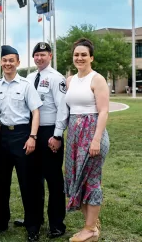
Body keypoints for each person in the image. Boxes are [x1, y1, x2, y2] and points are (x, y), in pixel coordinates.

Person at [0, 45, 42, 242]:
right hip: (2, 137)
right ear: (1, 62)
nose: (7, 63)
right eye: (4, 60)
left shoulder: (26, 85)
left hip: (22, 136)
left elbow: (36, 112)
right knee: (1, 183)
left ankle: (32, 225)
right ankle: (1, 222)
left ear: (18, 62)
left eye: (11, 60)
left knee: (27, 184)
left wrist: (33, 137)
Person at [63, 38, 110, 242]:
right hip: (74, 135)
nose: (79, 58)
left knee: (91, 180)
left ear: (91, 57)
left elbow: (104, 111)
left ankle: (90, 229)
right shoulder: (70, 80)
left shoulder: (97, 79)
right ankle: (91, 223)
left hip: (92, 134)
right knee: (75, 179)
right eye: (76, 54)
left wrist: (96, 140)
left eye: (84, 54)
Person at [22, 42, 66, 239]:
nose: (39, 58)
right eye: (36, 55)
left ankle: (56, 224)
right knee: (33, 180)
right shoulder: (29, 78)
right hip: (32, 133)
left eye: (42, 54)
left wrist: (57, 135)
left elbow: (63, 109)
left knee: (54, 181)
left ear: (50, 55)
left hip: (50, 133)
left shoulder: (57, 79)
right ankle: (35, 219)